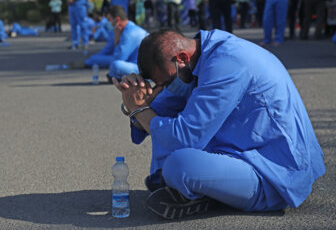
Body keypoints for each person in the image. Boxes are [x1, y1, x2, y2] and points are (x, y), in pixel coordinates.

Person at [112, 29, 326, 219]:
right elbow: (156, 114)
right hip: (242, 148)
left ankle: (212, 194)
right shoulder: (198, 58)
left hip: (275, 171)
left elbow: (183, 137)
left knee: (180, 164)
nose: (167, 87)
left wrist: (139, 109)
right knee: (168, 147)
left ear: (182, 57)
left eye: (166, 82)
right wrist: (141, 100)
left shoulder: (227, 64)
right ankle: (206, 189)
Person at [83, 6, 148, 81]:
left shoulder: (130, 33)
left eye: (109, 20)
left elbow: (118, 57)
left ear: (117, 20)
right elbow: (107, 50)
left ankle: (116, 76)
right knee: (95, 59)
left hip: (143, 69)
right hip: (134, 64)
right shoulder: (121, 30)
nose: (108, 23)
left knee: (116, 65)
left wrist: (117, 41)